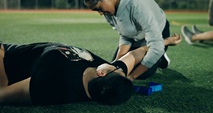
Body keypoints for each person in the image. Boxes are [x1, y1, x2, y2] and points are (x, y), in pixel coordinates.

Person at [0, 35, 180, 105]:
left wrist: (1, 56)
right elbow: (139, 52)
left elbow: (3, 93)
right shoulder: (104, 75)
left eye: (118, 71)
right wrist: (164, 43)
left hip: (6, 56)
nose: (118, 66)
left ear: (102, 73)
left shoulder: (55, 85)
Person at [83, 0, 181, 81]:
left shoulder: (137, 6)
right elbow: (125, 35)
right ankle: (154, 53)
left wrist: (131, 77)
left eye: (99, 8)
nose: (100, 13)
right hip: (137, 36)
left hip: (159, 33)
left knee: (143, 73)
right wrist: (116, 64)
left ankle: (164, 46)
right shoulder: (108, 12)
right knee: (118, 68)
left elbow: (156, 47)